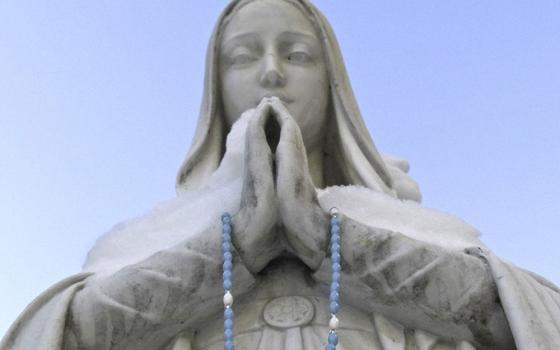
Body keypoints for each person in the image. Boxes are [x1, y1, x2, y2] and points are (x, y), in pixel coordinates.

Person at [2, 0, 559, 349]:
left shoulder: (414, 233)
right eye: (244, 57)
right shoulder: (146, 247)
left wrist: (330, 241)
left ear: (332, 81)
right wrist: (236, 247)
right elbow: (59, 334)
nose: (271, 71)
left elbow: (527, 320)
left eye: (296, 54)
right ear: (216, 88)